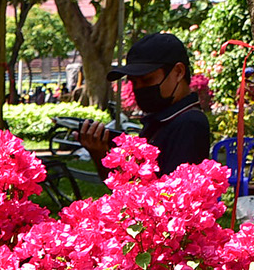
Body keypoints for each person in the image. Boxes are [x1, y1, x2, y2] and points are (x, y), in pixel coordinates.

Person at [78, 31, 210, 174]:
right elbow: (132, 191)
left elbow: (171, 193)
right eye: (133, 82)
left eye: (147, 80)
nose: (139, 88)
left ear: (178, 72)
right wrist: (101, 154)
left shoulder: (189, 123)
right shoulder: (161, 121)